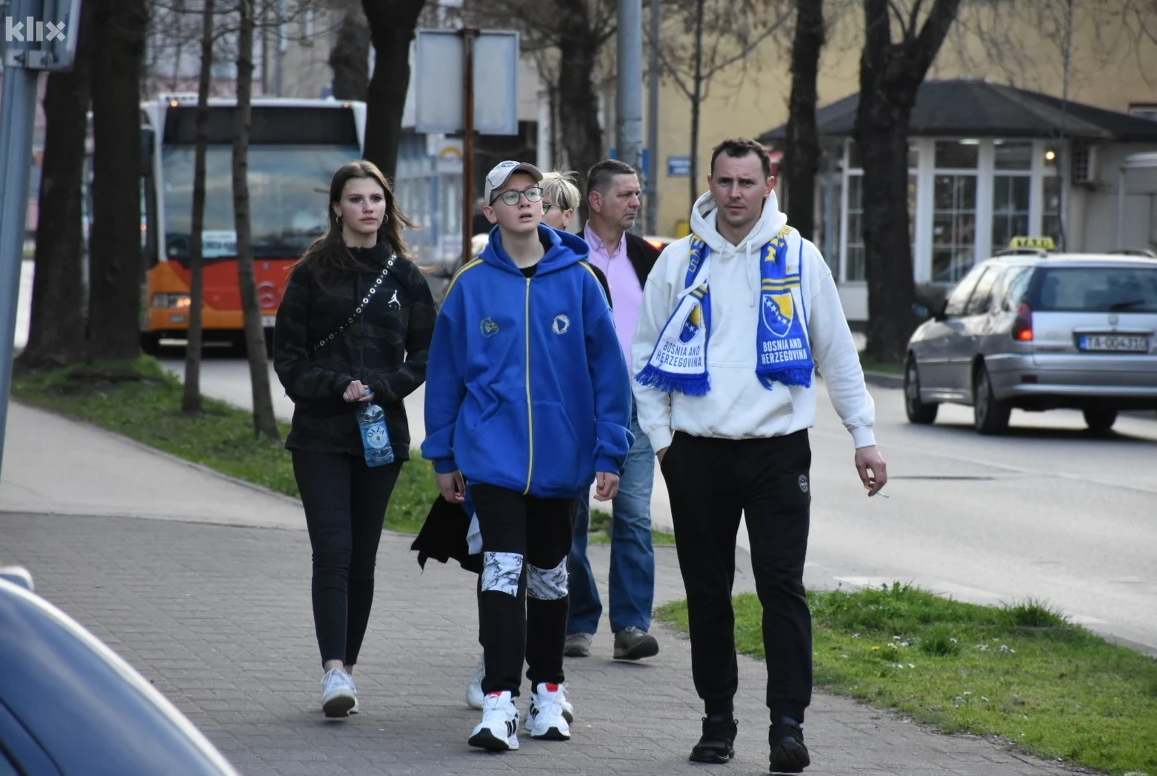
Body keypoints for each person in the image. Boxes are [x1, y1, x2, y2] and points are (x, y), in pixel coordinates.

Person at [631, 138, 887, 772]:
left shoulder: (799, 257)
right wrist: (663, 442)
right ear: (710, 184)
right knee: (707, 593)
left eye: (747, 182)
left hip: (778, 454)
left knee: (781, 588)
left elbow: (836, 351)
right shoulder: (679, 261)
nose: (735, 193)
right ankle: (717, 721)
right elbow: (644, 356)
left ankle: (787, 726)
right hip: (698, 454)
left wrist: (863, 434)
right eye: (725, 181)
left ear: (769, 185)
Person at [423, 160, 631, 752]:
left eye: (532, 193)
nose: (524, 202)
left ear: (544, 204)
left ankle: (548, 692)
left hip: (563, 461)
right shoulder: (471, 285)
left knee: (548, 576)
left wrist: (610, 450)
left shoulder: (580, 280)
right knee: (501, 569)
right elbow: (445, 375)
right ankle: (498, 702)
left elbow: (608, 372)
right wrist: (443, 455)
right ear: (490, 211)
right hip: (492, 459)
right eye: (510, 196)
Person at [273, 160, 435, 719]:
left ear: (387, 207)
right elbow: (288, 359)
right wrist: (335, 386)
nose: (368, 208)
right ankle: (333, 668)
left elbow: (427, 354)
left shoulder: (405, 277)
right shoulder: (312, 274)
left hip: (380, 436)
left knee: (362, 557)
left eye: (376, 199)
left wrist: (385, 386)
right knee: (333, 550)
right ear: (337, 208)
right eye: (357, 199)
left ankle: (349, 668)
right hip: (320, 435)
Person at [565, 159, 663, 662]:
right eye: (626, 194)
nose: (636, 202)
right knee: (571, 518)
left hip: (636, 409)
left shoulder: (648, 258)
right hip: (577, 408)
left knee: (634, 518)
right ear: (596, 201)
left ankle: (631, 626)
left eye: (638, 193)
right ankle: (576, 621)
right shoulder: (566, 257)